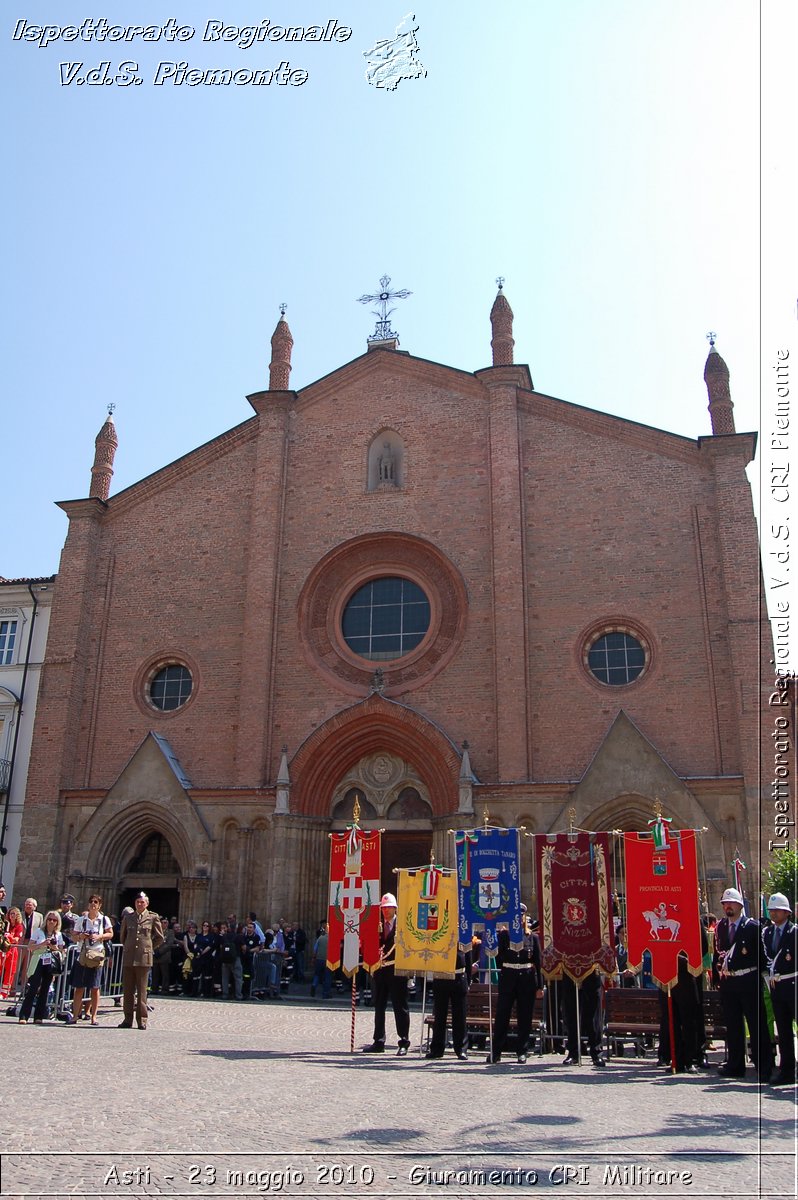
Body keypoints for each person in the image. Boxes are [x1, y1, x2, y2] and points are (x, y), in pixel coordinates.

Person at [713, 886, 773, 1081]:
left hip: (748, 979)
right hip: (729, 981)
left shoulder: (753, 927)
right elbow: (719, 954)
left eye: (731, 903)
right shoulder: (721, 927)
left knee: (757, 1024)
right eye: (725, 903)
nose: (728, 906)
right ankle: (735, 1064)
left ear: (740, 905)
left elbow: (762, 957)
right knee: (733, 1025)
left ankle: (763, 1065)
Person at [488, 907, 543, 1064]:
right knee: (502, 1015)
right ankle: (496, 1051)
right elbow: (498, 957)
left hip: (526, 979)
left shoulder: (532, 937)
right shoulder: (504, 936)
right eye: (515, 917)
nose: (518, 920)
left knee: (525, 1016)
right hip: (508, 977)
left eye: (521, 917)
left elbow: (538, 963)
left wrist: (540, 986)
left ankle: (522, 1051)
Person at [363, 893, 410, 1056]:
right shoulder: (376, 925)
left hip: (397, 969)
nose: (385, 911)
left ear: (395, 908)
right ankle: (378, 1041)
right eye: (383, 908)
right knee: (379, 1005)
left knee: (400, 1006)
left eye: (388, 907)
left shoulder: (403, 925)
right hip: (380, 969)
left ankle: (403, 1041)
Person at [763, 892, 797, 1086]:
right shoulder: (767, 933)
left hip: (793, 984)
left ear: (787, 912)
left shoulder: (794, 932)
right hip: (776, 987)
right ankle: (787, 1070)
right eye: (772, 910)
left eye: (777, 910)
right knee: (783, 1031)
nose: (774, 914)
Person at [70, 894, 113, 1026]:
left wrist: (100, 936)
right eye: (91, 902)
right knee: (79, 988)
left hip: (96, 955)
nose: (93, 904)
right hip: (82, 955)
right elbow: (74, 937)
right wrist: (81, 936)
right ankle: (75, 1016)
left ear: (100, 905)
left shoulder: (104, 919)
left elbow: (110, 934)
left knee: (95, 988)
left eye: (96, 902)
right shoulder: (81, 920)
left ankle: (94, 1016)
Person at [18, 911, 65, 1024]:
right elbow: (30, 947)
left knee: (45, 989)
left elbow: (61, 950)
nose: (51, 922)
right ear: (46, 920)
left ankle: (39, 1016)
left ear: (57, 922)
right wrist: (43, 944)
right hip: (38, 960)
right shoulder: (39, 932)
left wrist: (54, 947)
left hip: (50, 962)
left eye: (54, 920)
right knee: (33, 988)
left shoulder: (58, 935)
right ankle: (24, 1016)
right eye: (49, 919)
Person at [427, 945, 472, 1061]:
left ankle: (461, 1049)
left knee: (460, 1016)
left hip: (459, 976)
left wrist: (469, 979)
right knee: (440, 1016)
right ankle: (437, 1049)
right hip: (441, 975)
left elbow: (468, 953)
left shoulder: (462, 929)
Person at [561, 969, 606, 1067]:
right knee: (571, 1015)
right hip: (570, 971)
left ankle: (596, 1052)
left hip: (591, 970)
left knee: (592, 1017)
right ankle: (573, 1052)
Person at [1, 906, 25, 997]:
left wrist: (9, 937)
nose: (12, 916)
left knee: (10, 971)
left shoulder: (19, 926)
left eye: (14, 914)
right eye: (11, 913)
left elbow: (16, 939)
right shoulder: (6, 924)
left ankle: (4, 992)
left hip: (12, 950)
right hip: (2, 949)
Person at [310, 921, 332, 999]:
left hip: (319, 959)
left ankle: (313, 985)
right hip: (328, 960)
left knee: (317, 974)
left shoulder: (320, 938)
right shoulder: (332, 939)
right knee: (327, 977)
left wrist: (313, 958)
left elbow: (315, 949)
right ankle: (325, 993)